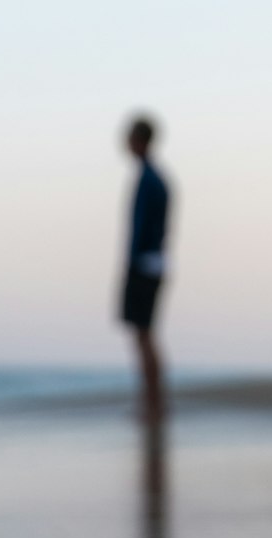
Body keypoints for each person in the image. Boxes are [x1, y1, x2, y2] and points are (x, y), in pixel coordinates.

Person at [120, 115, 170, 423]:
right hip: (151, 261)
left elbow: (146, 229)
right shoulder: (154, 178)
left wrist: (136, 260)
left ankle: (153, 404)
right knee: (144, 333)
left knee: (144, 333)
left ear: (139, 140)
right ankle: (152, 402)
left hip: (145, 263)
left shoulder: (151, 179)